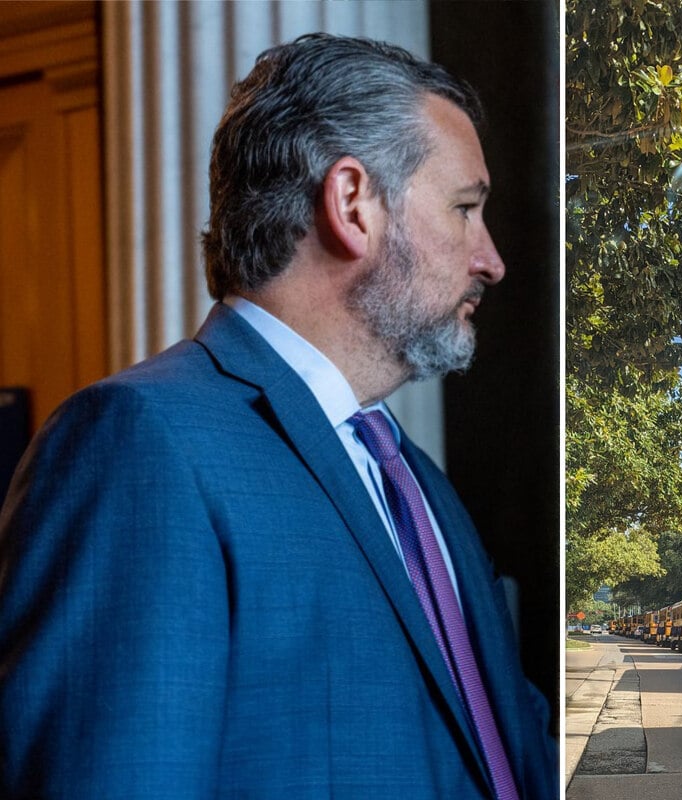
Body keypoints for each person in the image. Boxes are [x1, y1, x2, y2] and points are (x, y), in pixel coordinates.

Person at [0, 33, 557, 799]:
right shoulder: (141, 445)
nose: (491, 259)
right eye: (465, 208)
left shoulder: (417, 484)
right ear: (353, 203)